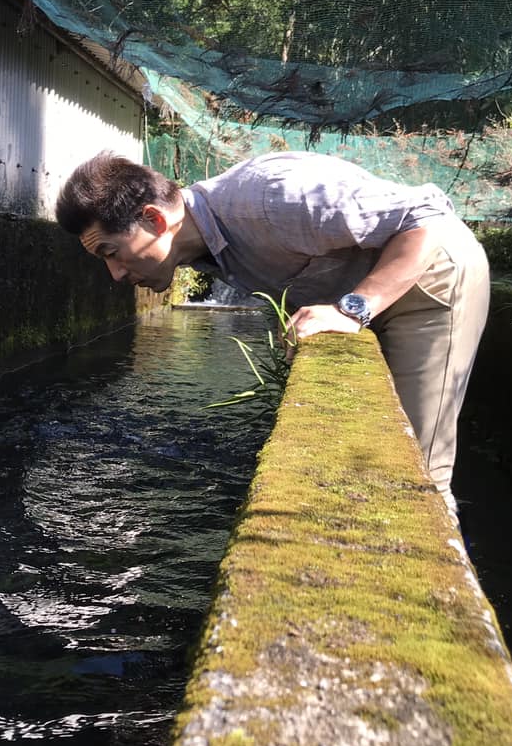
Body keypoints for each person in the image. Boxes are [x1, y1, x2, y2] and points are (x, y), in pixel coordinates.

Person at [55, 150, 490, 519]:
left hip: (430, 281)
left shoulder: (270, 196)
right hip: (371, 287)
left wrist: (353, 309)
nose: (114, 275)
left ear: (153, 217)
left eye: (112, 253)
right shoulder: (205, 245)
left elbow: (428, 214)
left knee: (417, 471)